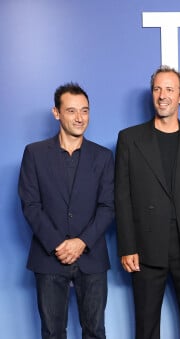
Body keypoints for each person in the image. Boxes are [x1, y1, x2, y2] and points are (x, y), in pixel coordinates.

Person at [115, 66, 180, 339]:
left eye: (169, 89)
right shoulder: (129, 139)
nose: (162, 96)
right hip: (145, 250)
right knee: (146, 328)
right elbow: (121, 197)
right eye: (157, 89)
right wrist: (127, 245)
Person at [18, 83, 114, 339]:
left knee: (95, 331)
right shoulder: (34, 154)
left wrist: (82, 242)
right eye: (72, 111)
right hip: (49, 256)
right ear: (56, 113)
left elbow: (108, 206)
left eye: (85, 110)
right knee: (52, 332)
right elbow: (30, 205)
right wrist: (58, 243)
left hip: (91, 257)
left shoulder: (103, 157)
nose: (80, 118)